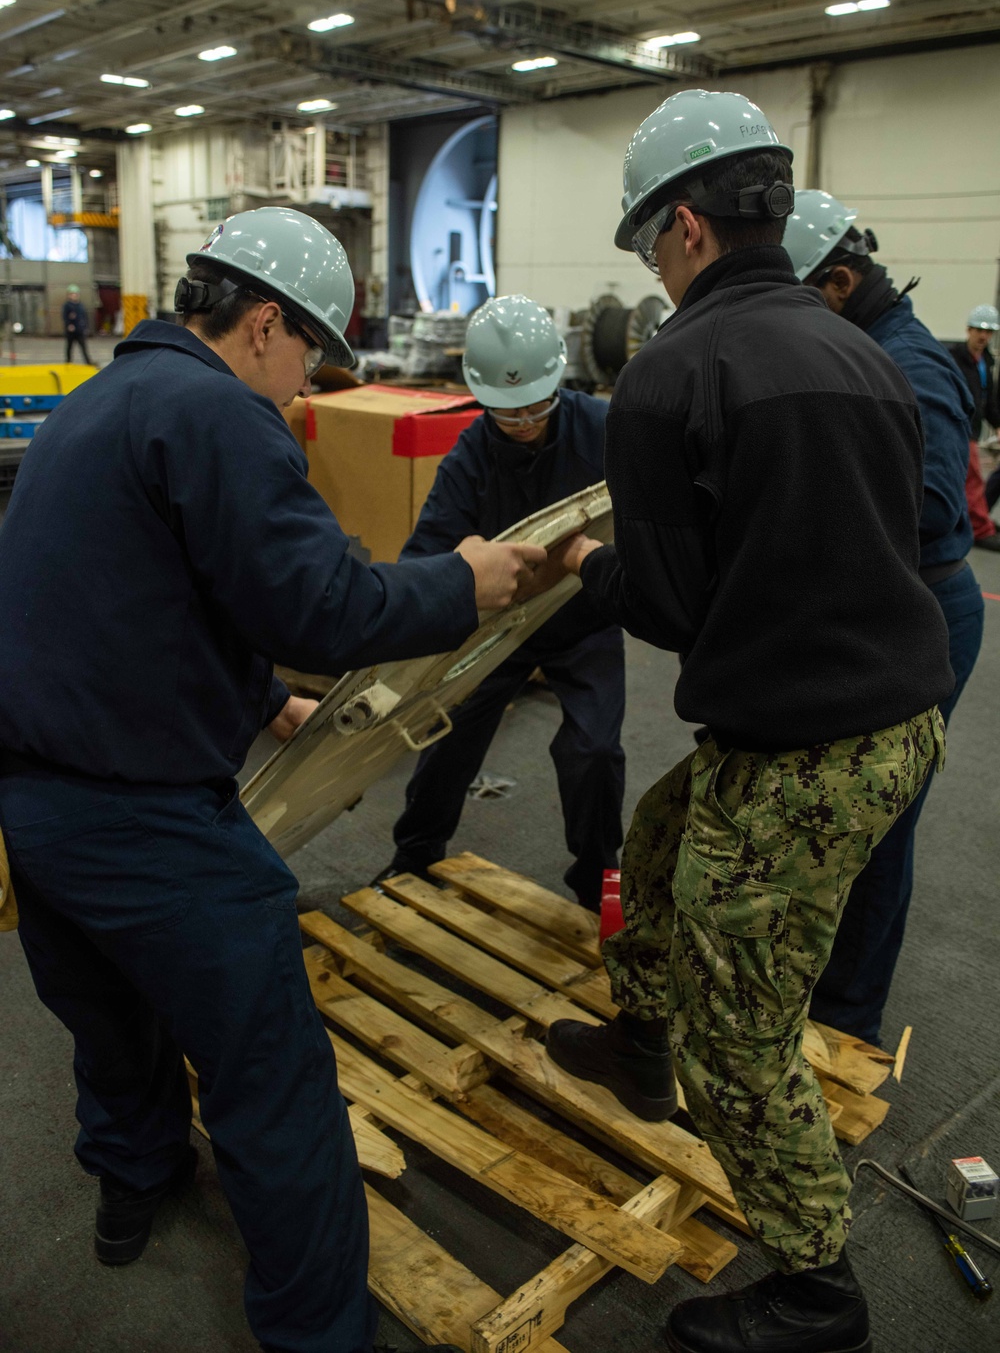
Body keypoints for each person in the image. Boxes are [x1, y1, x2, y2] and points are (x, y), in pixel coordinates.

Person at [0, 206, 546, 1353]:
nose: (305, 386)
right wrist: (466, 581)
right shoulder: (218, 412)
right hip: (148, 816)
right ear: (261, 327)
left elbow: (138, 590)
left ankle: (134, 1178)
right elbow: (325, 606)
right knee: (273, 1075)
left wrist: (259, 699)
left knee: (109, 1017)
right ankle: (316, 1334)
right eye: (307, 355)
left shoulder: (97, 405)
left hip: (37, 806)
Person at [540, 90, 952, 1353]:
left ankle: (815, 1287)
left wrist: (578, 567)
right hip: (894, 720)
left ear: (684, 227)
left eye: (645, 243)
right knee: (658, 846)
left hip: (802, 751)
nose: (650, 268)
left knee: (748, 1027)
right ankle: (640, 1037)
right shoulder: (863, 356)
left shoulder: (672, 371)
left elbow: (667, 607)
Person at [783, 190, 984, 1044]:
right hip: (880, 608)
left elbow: (937, 506)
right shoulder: (863, 344)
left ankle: (852, 1018)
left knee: (879, 816)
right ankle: (825, 984)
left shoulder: (911, 363)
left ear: (838, 281)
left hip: (927, 612)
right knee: (841, 810)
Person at [375, 294, 624, 912]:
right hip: (502, 627)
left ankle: (597, 879)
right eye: (507, 412)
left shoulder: (605, 430)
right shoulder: (469, 459)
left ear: (559, 381)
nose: (525, 421)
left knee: (593, 750)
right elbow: (424, 560)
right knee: (446, 735)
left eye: (538, 405)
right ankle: (415, 854)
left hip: (583, 618)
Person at [944, 304, 1000, 527]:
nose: (983, 336)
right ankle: (978, 526)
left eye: (988, 332)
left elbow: (988, 399)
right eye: (979, 330)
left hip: (973, 429)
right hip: (959, 426)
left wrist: (997, 424)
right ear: (969, 330)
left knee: (968, 479)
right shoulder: (954, 358)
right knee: (973, 477)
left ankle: (973, 520)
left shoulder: (986, 362)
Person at [62, 282, 93, 364]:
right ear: (68, 295)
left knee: (83, 346)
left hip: (80, 329)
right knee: (69, 347)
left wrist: (86, 327)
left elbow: (84, 317)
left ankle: (88, 361)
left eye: (75, 294)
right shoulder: (67, 305)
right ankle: (68, 361)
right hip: (71, 330)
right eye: (72, 294)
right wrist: (68, 325)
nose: (74, 296)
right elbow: (65, 317)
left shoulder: (80, 305)